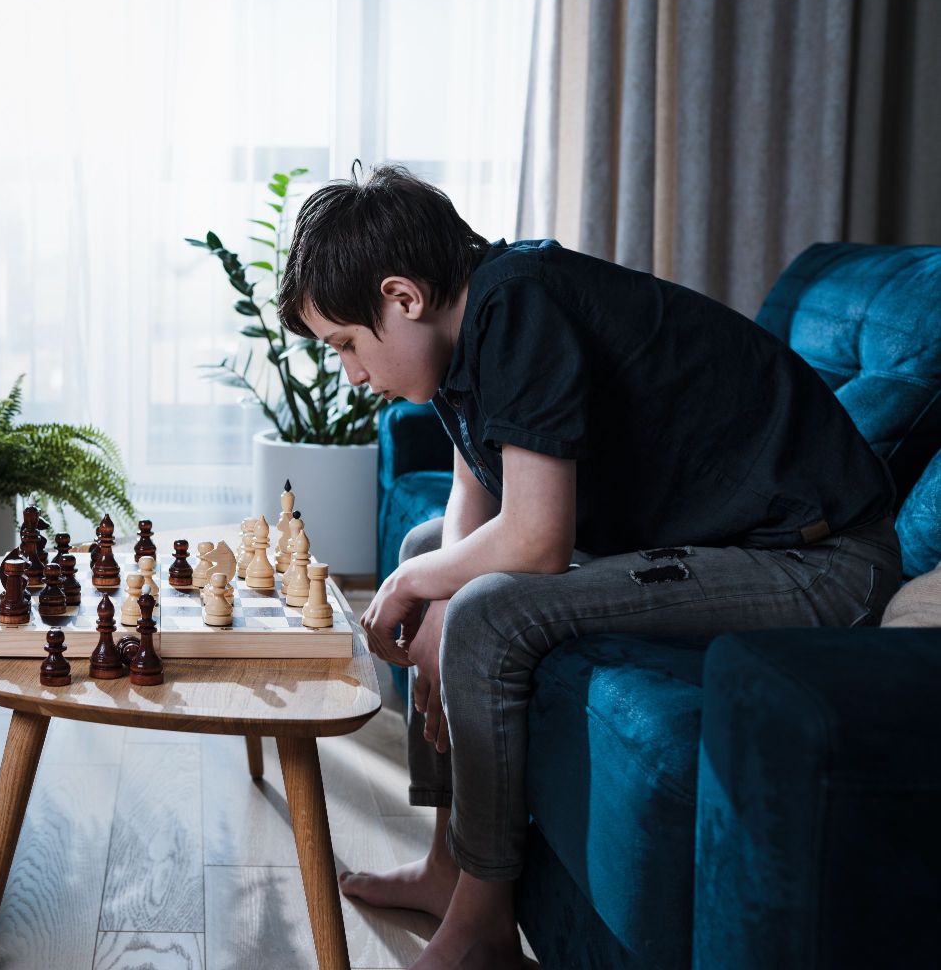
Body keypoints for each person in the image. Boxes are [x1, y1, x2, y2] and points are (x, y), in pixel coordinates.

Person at [277, 164, 901, 969]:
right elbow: (478, 477)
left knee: (481, 608)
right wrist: (428, 579)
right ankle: (446, 867)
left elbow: (535, 539)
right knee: (427, 552)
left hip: (817, 562)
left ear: (402, 298)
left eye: (346, 347)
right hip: (741, 542)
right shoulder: (468, 316)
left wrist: (414, 596)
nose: (352, 375)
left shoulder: (520, 306)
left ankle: (482, 926)